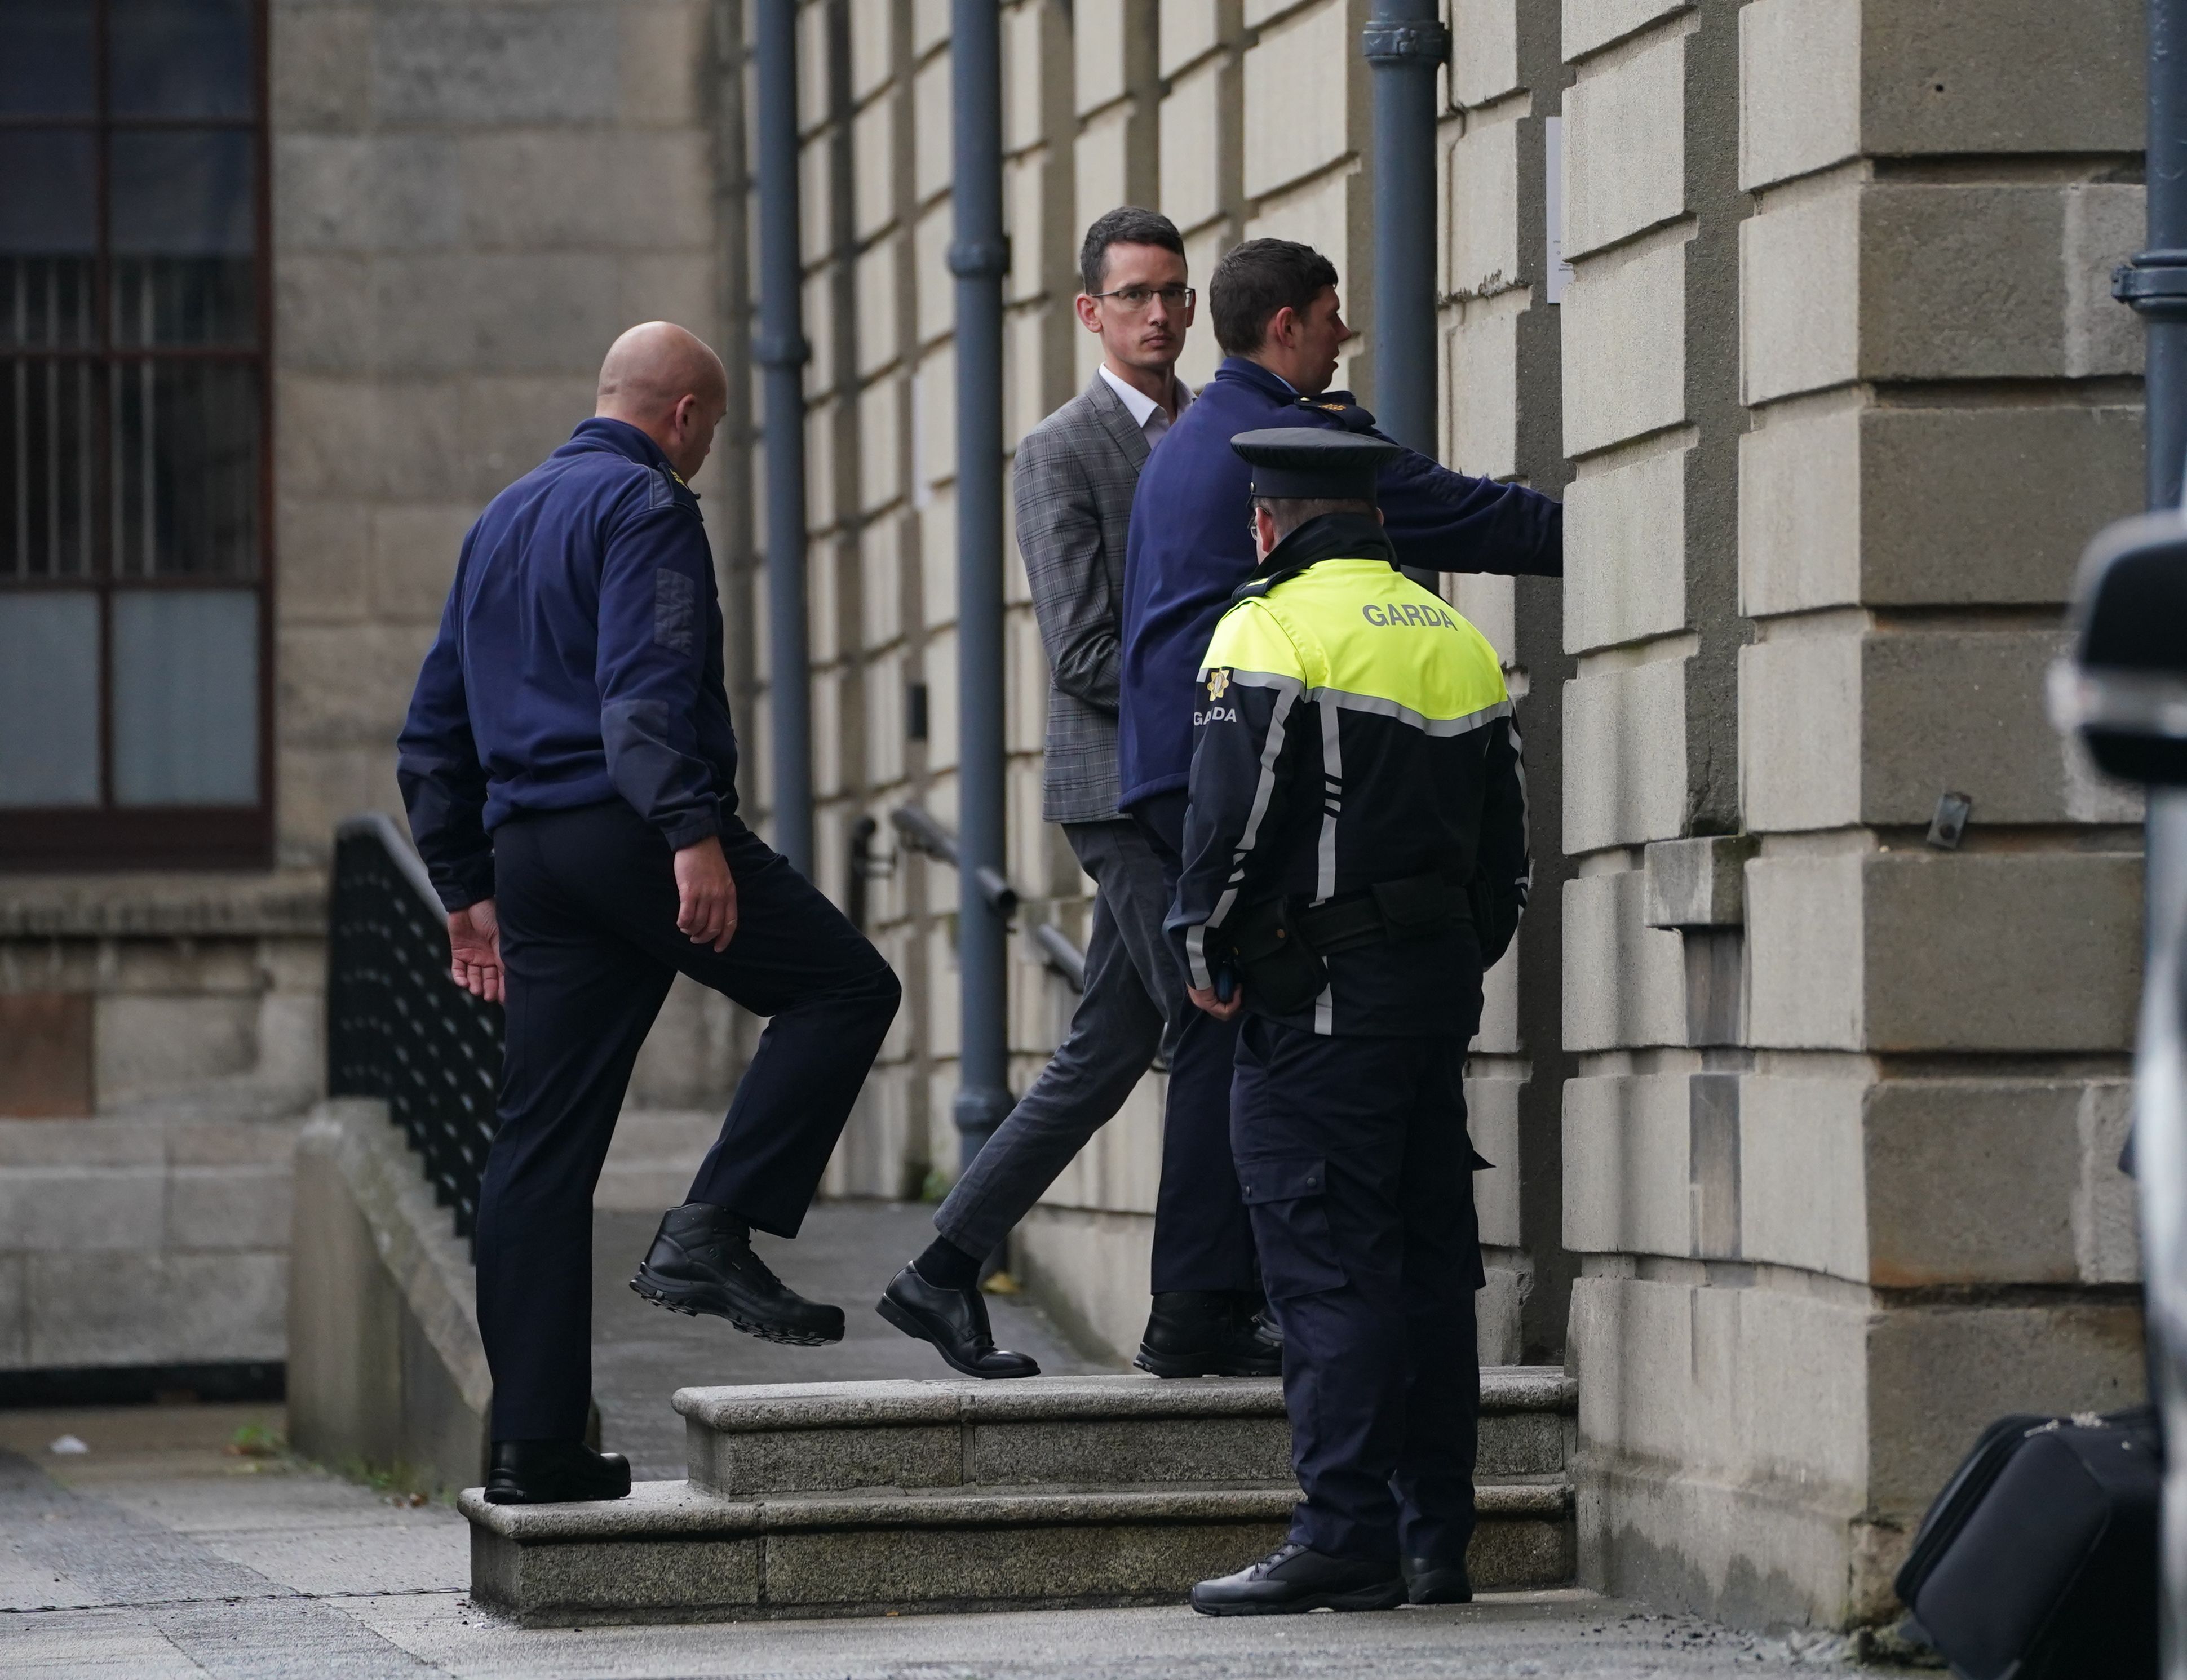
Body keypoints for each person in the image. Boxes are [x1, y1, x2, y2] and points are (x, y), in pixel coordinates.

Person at [397, 322, 902, 1506]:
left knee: (538, 1147)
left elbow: (431, 732)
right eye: (712, 430)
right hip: (632, 832)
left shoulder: (500, 522)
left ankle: (534, 1449)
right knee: (843, 987)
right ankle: (712, 1230)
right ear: (682, 416)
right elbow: (644, 686)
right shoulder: (647, 509)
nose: (708, 450)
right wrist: (691, 837)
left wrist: (463, 889)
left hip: (530, 860)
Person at [1112, 241, 1560, 1371]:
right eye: (1328, 317)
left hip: (1180, 762)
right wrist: (1625, 524)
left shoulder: (1189, 435)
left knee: (1209, 1035)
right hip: (1235, 762)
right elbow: (1470, 518)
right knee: (1233, 1036)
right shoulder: (1299, 452)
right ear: (1283, 329)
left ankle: (1200, 1302)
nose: (1342, 337)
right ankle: (1206, 1309)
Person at [878, 208, 1276, 1382]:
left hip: (1192, 793)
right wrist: (1242, 683)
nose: (1157, 314)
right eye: (1133, 296)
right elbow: (1083, 654)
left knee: (1104, 1052)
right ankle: (1202, 1308)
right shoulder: (1061, 449)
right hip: (1120, 794)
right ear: (1088, 312)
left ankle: (937, 1272)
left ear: (1193, 308)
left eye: (1172, 293)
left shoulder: (1218, 432)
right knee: (1223, 1020)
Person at [1171, 429, 1530, 1615]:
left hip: (1315, 1002)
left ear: (1266, 523)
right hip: (1426, 1000)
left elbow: (1230, 817)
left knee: (1328, 1266)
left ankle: (1342, 1535)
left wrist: (1199, 938)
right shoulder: (1453, 636)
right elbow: (1505, 859)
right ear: (1373, 519)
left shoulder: (1266, 629)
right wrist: (1438, 962)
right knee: (1428, 1266)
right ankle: (1434, 1539)